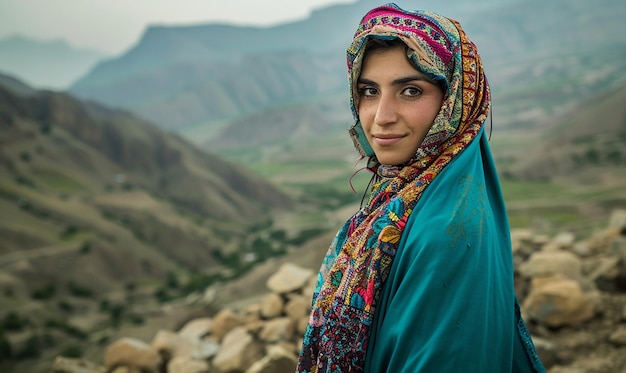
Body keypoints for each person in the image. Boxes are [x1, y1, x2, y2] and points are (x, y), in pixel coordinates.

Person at [296, 3, 546, 372]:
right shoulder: (413, 201)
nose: (381, 116)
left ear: (456, 102)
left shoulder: (446, 230)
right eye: (368, 91)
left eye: (411, 91)